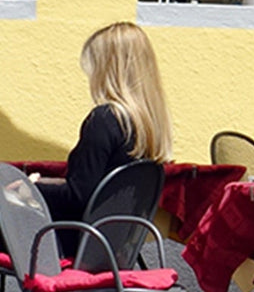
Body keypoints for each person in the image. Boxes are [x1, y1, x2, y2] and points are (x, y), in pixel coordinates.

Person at [37, 22, 174, 246]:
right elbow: (95, 186)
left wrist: (32, 188)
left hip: (77, 240)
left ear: (107, 69)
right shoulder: (148, 126)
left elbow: (78, 197)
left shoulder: (104, 120)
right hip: (114, 243)